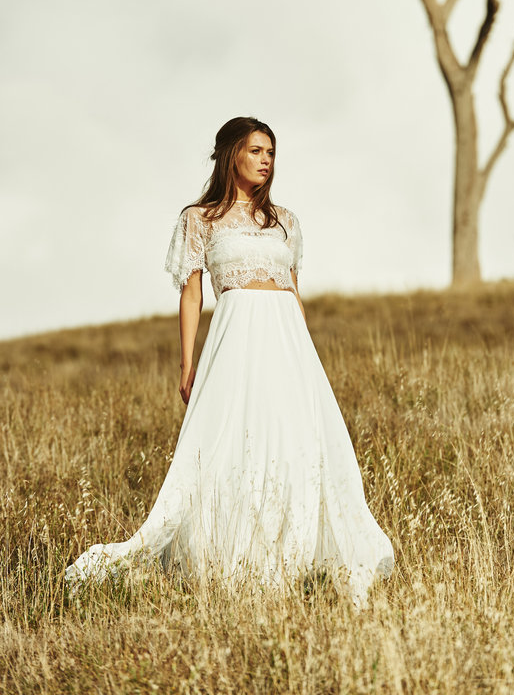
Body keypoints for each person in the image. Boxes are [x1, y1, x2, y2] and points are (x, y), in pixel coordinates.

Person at [65, 116, 394, 605]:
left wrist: (308, 355)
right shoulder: (201, 218)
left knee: (296, 441)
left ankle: (298, 554)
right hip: (236, 336)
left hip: (288, 340)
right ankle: (229, 555)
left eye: (271, 153)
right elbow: (192, 292)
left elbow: (294, 291)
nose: (266, 160)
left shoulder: (284, 219)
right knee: (232, 442)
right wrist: (186, 363)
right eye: (257, 150)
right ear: (231, 154)